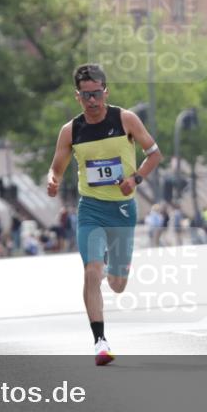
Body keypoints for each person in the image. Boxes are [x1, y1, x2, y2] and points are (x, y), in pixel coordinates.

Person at [46, 63, 162, 366]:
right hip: (91, 209)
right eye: (86, 96)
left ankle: (115, 262)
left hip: (123, 209)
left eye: (96, 94)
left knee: (117, 284)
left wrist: (134, 179)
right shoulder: (71, 131)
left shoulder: (125, 120)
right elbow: (56, 166)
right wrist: (53, 180)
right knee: (91, 272)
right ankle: (100, 341)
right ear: (77, 97)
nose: (92, 101)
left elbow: (154, 154)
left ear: (105, 92)